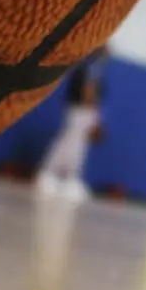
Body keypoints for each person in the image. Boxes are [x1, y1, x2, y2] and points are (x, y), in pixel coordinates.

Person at [37, 46, 108, 200]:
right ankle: (47, 173)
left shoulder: (98, 69)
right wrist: (91, 110)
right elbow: (87, 91)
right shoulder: (87, 67)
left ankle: (69, 178)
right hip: (78, 110)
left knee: (79, 147)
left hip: (87, 112)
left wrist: (95, 117)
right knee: (68, 141)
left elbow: (94, 94)